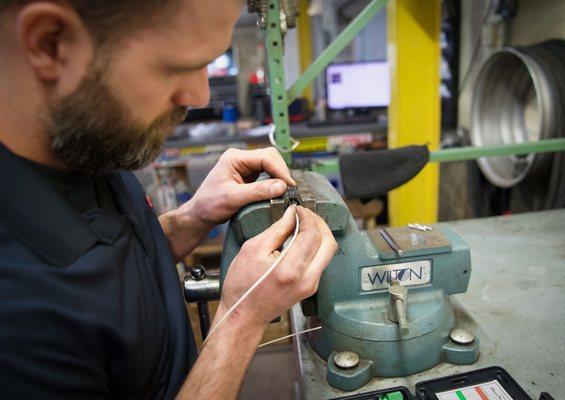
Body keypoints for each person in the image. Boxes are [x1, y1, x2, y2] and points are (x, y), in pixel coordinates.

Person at [0, 1, 338, 398]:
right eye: (177, 67)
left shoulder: (84, 140)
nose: (200, 95)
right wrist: (241, 317)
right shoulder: (16, 319)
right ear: (50, 43)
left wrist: (191, 218)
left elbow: (112, 278)